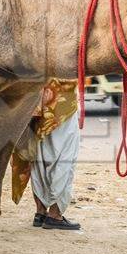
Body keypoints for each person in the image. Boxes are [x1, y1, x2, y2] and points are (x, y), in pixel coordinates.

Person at [28, 79, 81, 230]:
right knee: (65, 159)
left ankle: (40, 213)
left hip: (35, 105)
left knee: (38, 160)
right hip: (62, 104)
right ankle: (55, 215)